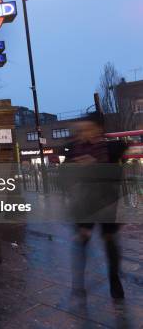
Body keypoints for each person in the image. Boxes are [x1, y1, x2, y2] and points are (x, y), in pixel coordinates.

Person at [62, 114, 127, 299]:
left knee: (109, 240)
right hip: (85, 205)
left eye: (87, 129)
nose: (83, 133)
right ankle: (78, 284)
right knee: (81, 240)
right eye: (80, 130)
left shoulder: (111, 148)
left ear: (99, 130)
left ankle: (115, 281)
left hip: (107, 203)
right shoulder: (74, 150)